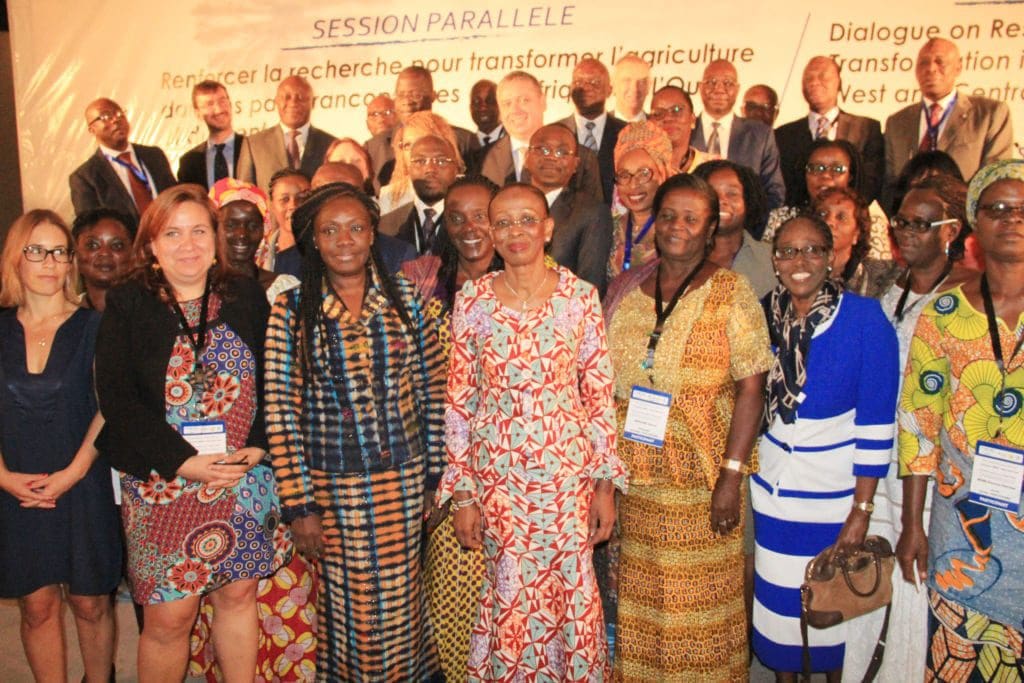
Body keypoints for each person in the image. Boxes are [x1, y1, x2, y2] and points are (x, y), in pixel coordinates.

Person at [441, 183, 627, 679]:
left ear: (548, 228)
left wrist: (604, 487)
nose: (515, 231)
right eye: (503, 222)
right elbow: (459, 403)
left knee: (572, 590)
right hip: (498, 484)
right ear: (491, 232)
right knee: (510, 591)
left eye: (527, 220)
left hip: (567, 482)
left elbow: (599, 397)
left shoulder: (579, 297)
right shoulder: (473, 301)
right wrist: (463, 494)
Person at [95, 184, 278, 682]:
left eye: (199, 231)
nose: (188, 244)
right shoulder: (129, 303)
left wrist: (257, 446)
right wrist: (184, 462)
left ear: (215, 238)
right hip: (164, 482)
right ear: (152, 244)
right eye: (172, 234)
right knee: (169, 618)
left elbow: (276, 378)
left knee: (238, 596)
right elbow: (118, 400)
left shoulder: (245, 295)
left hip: (241, 476)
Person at [264, 183, 444, 680]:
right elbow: (281, 414)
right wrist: (300, 506)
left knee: (402, 599)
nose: (344, 240)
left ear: (372, 235)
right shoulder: (292, 311)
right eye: (330, 230)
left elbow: (433, 391)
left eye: (356, 228)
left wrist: (435, 477)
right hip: (332, 490)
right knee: (354, 607)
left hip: (403, 482)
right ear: (314, 240)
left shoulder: (405, 299)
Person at [603, 174, 771, 680]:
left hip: (704, 485)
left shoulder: (731, 291)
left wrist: (731, 476)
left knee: (699, 616)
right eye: (669, 215)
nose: (677, 226)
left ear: (711, 227)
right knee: (645, 610)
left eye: (691, 218)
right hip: (638, 484)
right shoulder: (628, 290)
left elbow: (751, 389)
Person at [752, 214, 899, 679]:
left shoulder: (865, 319)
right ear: (775, 261)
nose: (800, 261)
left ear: (831, 257)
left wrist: (861, 510)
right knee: (780, 614)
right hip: (773, 494)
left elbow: (877, 423)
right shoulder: (762, 314)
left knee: (834, 612)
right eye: (789, 251)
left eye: (813, 250)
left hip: (834, 499)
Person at [842, 173, 973, 681]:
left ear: (951, 230)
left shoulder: (967, 294)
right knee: (870, 570)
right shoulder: (887, 288)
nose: (907, 232)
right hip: (879, 454)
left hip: (931, 463)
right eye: (901, 222)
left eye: (922, 223)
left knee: (914, 570)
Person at [897, 159, 1024, 681]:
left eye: (1022, 209)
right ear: (974, 223)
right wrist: (911, 525)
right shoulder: (943, 312)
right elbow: (918, 425)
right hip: (961, 529)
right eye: (997, 208)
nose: (1011, 219)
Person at [182, 178, 311, 682]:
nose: (240, 233)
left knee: (261, 581)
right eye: (228, 223)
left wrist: (263, 444)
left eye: (250, 223)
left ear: (266, 229)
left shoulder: (283, 288)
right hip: (196, 460)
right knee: (204, 585)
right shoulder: (190, 286)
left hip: (265, 453)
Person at [0, 210, 121, 682]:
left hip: (82, 480)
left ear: (71, 262)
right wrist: (4, 478)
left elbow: (109, 408)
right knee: (37, 606)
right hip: (15, 485)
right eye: (36, 251)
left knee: (91, 603)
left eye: (59, 251)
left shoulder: (96, 326)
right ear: (16, 258)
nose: (49, 262)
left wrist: (72, 473)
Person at [401, 176, 499, 682]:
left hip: (514, 466)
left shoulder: (533, 280)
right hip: (442, 465)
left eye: (481, 215)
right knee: (451, 593)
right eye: (456, 217)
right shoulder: (421, 283)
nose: (469, 227)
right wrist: (428, 475)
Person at [883, 38, 1014, 212]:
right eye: (923, 63)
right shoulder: (897, 122)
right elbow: (890, 183)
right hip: (911, 221)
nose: (931, 69)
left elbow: (994, 176)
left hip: (965, 219)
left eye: (940, 61)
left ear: (958, 68)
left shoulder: (990, 114)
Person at [774, 57, 884, 205]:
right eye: (808, 78)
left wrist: (844, 210)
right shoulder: (783, 135)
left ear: (839, 82)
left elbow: (871, 181)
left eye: (823, 76)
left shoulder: (867, 128)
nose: (814, 82)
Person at [761, 139, 893, 260]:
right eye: (816, 168)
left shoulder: (872, 221)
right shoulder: (780, 219)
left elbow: (879, 273)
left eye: (837, 169)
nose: (825, 175)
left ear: (850, 176)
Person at [481, 70, 602, 202]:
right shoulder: (481, 160)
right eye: (507, 103)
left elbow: (593, 212)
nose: (515, 110)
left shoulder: (583, 158)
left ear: (543, 102)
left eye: (524, 100)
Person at [524, 122, 613, 293]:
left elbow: (591, 284)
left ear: (575, 164)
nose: (551, 157)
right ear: (527, 157)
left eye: (562, 152)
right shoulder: (508, 204)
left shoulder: (592, 212)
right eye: (543, 149)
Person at [691, 60, 785, 209]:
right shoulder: (684, 131)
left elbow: (775, 193)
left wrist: (745, 219)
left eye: (728, 83)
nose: (719, 89)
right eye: (711, 82)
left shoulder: (761, 135)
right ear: (700, 87)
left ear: (737, 89)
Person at [365, 66, 475, 188]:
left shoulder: (463, 140)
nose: (407, 101)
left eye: (416, 95)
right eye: (401, 95)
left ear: (433, 96)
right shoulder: (374, 147)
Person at [69, 97, 177, 221]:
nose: (116, 120)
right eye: (105, 116)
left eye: (119, 113)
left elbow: (175, 197)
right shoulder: (84, 177)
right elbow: (90, 225)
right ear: (92, 129)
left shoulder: (154, 156)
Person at [236, 76, 336, 192]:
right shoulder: (254, 144)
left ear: (312, 103)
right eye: (286, 97)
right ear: (276, 101)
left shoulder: (331, 144)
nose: (293, 103)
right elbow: (244, 193)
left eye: (301, 98)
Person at [693, 159, 776, 297]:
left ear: (748, 200)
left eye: (732, 194)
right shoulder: (678, 258)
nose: (721, 200)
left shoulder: (772, 258)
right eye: (711, 193)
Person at [606, 121, 673, 279]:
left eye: (643, 173)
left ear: (663, 173)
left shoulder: (676, 229)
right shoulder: (609, 228)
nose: (633, 184)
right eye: (624, 175)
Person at [559, 58, 627, 203]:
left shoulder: (627, 133)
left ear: (609, 90)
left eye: (595, 82)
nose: (586, 87)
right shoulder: (554, 133)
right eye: (579, 82)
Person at [379, 135, 463, 254]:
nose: (430, 169)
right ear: (409, 168)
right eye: (420, 161)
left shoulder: (469, 222)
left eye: (441, 161)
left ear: (456, 169)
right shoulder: (385, 226)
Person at [813, 186, 900, 297]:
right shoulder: (796, 268)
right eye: (822, 214)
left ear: (857, 233)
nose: (829, 222)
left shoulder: (882, 274)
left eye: (841, 217)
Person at [378, 110, 464, 215]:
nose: (414, 152)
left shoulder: (467, 190)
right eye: (408, 145)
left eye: (421, 143)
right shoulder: (389, 195)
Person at [178, 81, 245, 189]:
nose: (218, 110)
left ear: (230, 104)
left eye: (222, 101)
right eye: (209, 104)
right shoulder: (189, 162)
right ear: (198, 113)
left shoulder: (252, 149)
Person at [71, 207, 136, 311]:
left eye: (117, 246)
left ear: (133, 255)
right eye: (92, 245)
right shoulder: (66, 317)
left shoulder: (153, 310)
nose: (105, 253)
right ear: (75, 255)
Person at [256, 168, 311, 276]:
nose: (293, 206)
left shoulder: (323, 250)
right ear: (271, 205)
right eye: (285, 199)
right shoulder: (258, 254)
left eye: (301, 198)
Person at [649, 86, 714, 175]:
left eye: (677, 110)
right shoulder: (639, 167)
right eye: (658, 114)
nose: (668, 118)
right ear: (650, 124)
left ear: (693, 120)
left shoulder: (712, 167)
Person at [611, 54, 651, 122]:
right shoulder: (598, 126)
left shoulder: (659, 126)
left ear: (648, 86)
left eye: (641, 82)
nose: (634, 88)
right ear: (613, 85)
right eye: (627, 80)